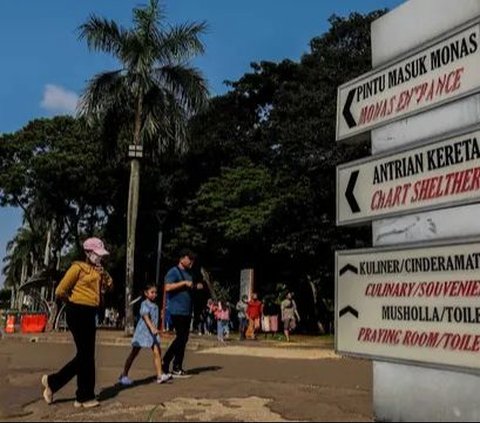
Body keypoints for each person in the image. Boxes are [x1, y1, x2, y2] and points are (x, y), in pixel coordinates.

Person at [41, 237, 113, 408]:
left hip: (90, 313)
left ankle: (56, 384)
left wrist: (104, 274)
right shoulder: (77, 268)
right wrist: (73, 301)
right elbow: (60, 290)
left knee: (86, 356)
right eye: (97, 254)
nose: (99, 257)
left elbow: (110, 286)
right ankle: (83, 396)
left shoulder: (98, 271)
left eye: (101, 255)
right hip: (77, 312)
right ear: (88, 253)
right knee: (86, 356)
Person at [118, 284, 172, 386]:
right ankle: (124, 375)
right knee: (134, 353)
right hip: (143, 333)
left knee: (157, 352)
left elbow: (156, 319)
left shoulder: (155, 305)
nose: (154, 294)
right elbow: (145, 316)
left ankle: (160, 375)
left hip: (152, 334)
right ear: (146, 293)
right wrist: (152, 328)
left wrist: (157, 327)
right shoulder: (144, 304)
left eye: (156, 292)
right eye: (152, 292)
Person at [162, 249, 203, 377]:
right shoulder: (174, 271)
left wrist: (196, 286)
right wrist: (184, 283)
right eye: (189, 259)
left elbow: (189, 287)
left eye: (193, 259)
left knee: (184, 339)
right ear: (182, 259)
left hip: (187, 310)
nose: (192, 262)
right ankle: (166, 360)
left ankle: (177, 366)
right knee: (181, 337)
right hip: (176, 310)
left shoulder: (189, 273)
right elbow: (167, 287)